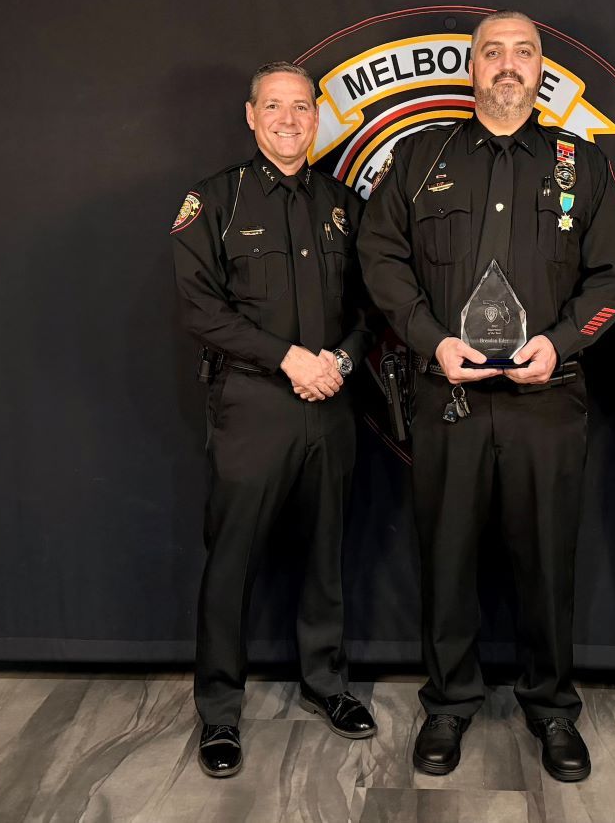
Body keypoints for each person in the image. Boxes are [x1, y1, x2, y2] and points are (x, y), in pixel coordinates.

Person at [358, 10, 615, 782]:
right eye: (493, 53)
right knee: (446, 556)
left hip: (547, 402)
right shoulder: (421, 156)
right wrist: (427, 337)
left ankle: (551, 709)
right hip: (447, 398)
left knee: (548, 562)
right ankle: (449, 702)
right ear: (472, 69)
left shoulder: (580, 166)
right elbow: (379, 256)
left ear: (539, 69)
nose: (507, 65)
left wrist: (565, 341)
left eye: (523, 53)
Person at [171, 62, 376, 778]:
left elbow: (368, 307)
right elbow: (200, 309)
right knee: (232, 562)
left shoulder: (344, 203)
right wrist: (288, 358)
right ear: (251, 116)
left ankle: (327, 683)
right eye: (275, 106)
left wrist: (342, 363)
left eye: (301, 106)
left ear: (317, 117)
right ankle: (220, 712)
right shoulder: (215, 200)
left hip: (333, 404)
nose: (289, 118)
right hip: (253, 405)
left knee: (326, 556)